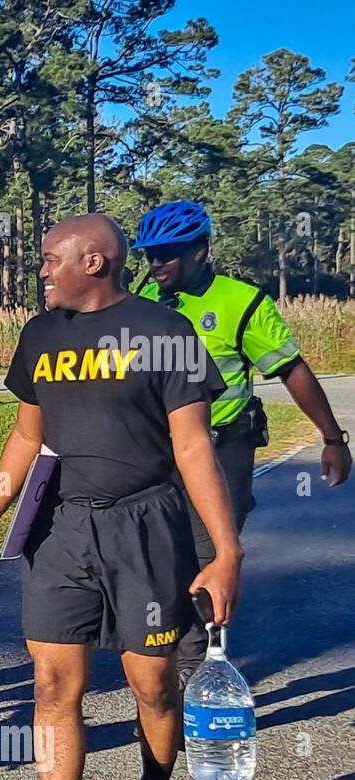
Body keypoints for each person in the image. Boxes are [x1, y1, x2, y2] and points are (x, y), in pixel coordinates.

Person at [0, 214, 243, 780]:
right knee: (54, 687)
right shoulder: (40, 335)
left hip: (146, 529)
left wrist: (227, 550)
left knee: (152, 685)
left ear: (94, 260)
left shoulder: (164, 333)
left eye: (50, 258)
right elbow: (26, 438)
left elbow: (193, 448)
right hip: (61, 531)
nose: (41, 269)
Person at [133, 200, 352, 679]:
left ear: (200, 250)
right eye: (149, 254)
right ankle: (164, 657)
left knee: (208, 556)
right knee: (154, 558)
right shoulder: (142, 297)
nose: (155, 264)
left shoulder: (243, 301)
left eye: (167, 254)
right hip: (156, 450)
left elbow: (291, 369)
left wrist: (332, 438)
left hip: (221, 447)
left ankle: (201, 672)